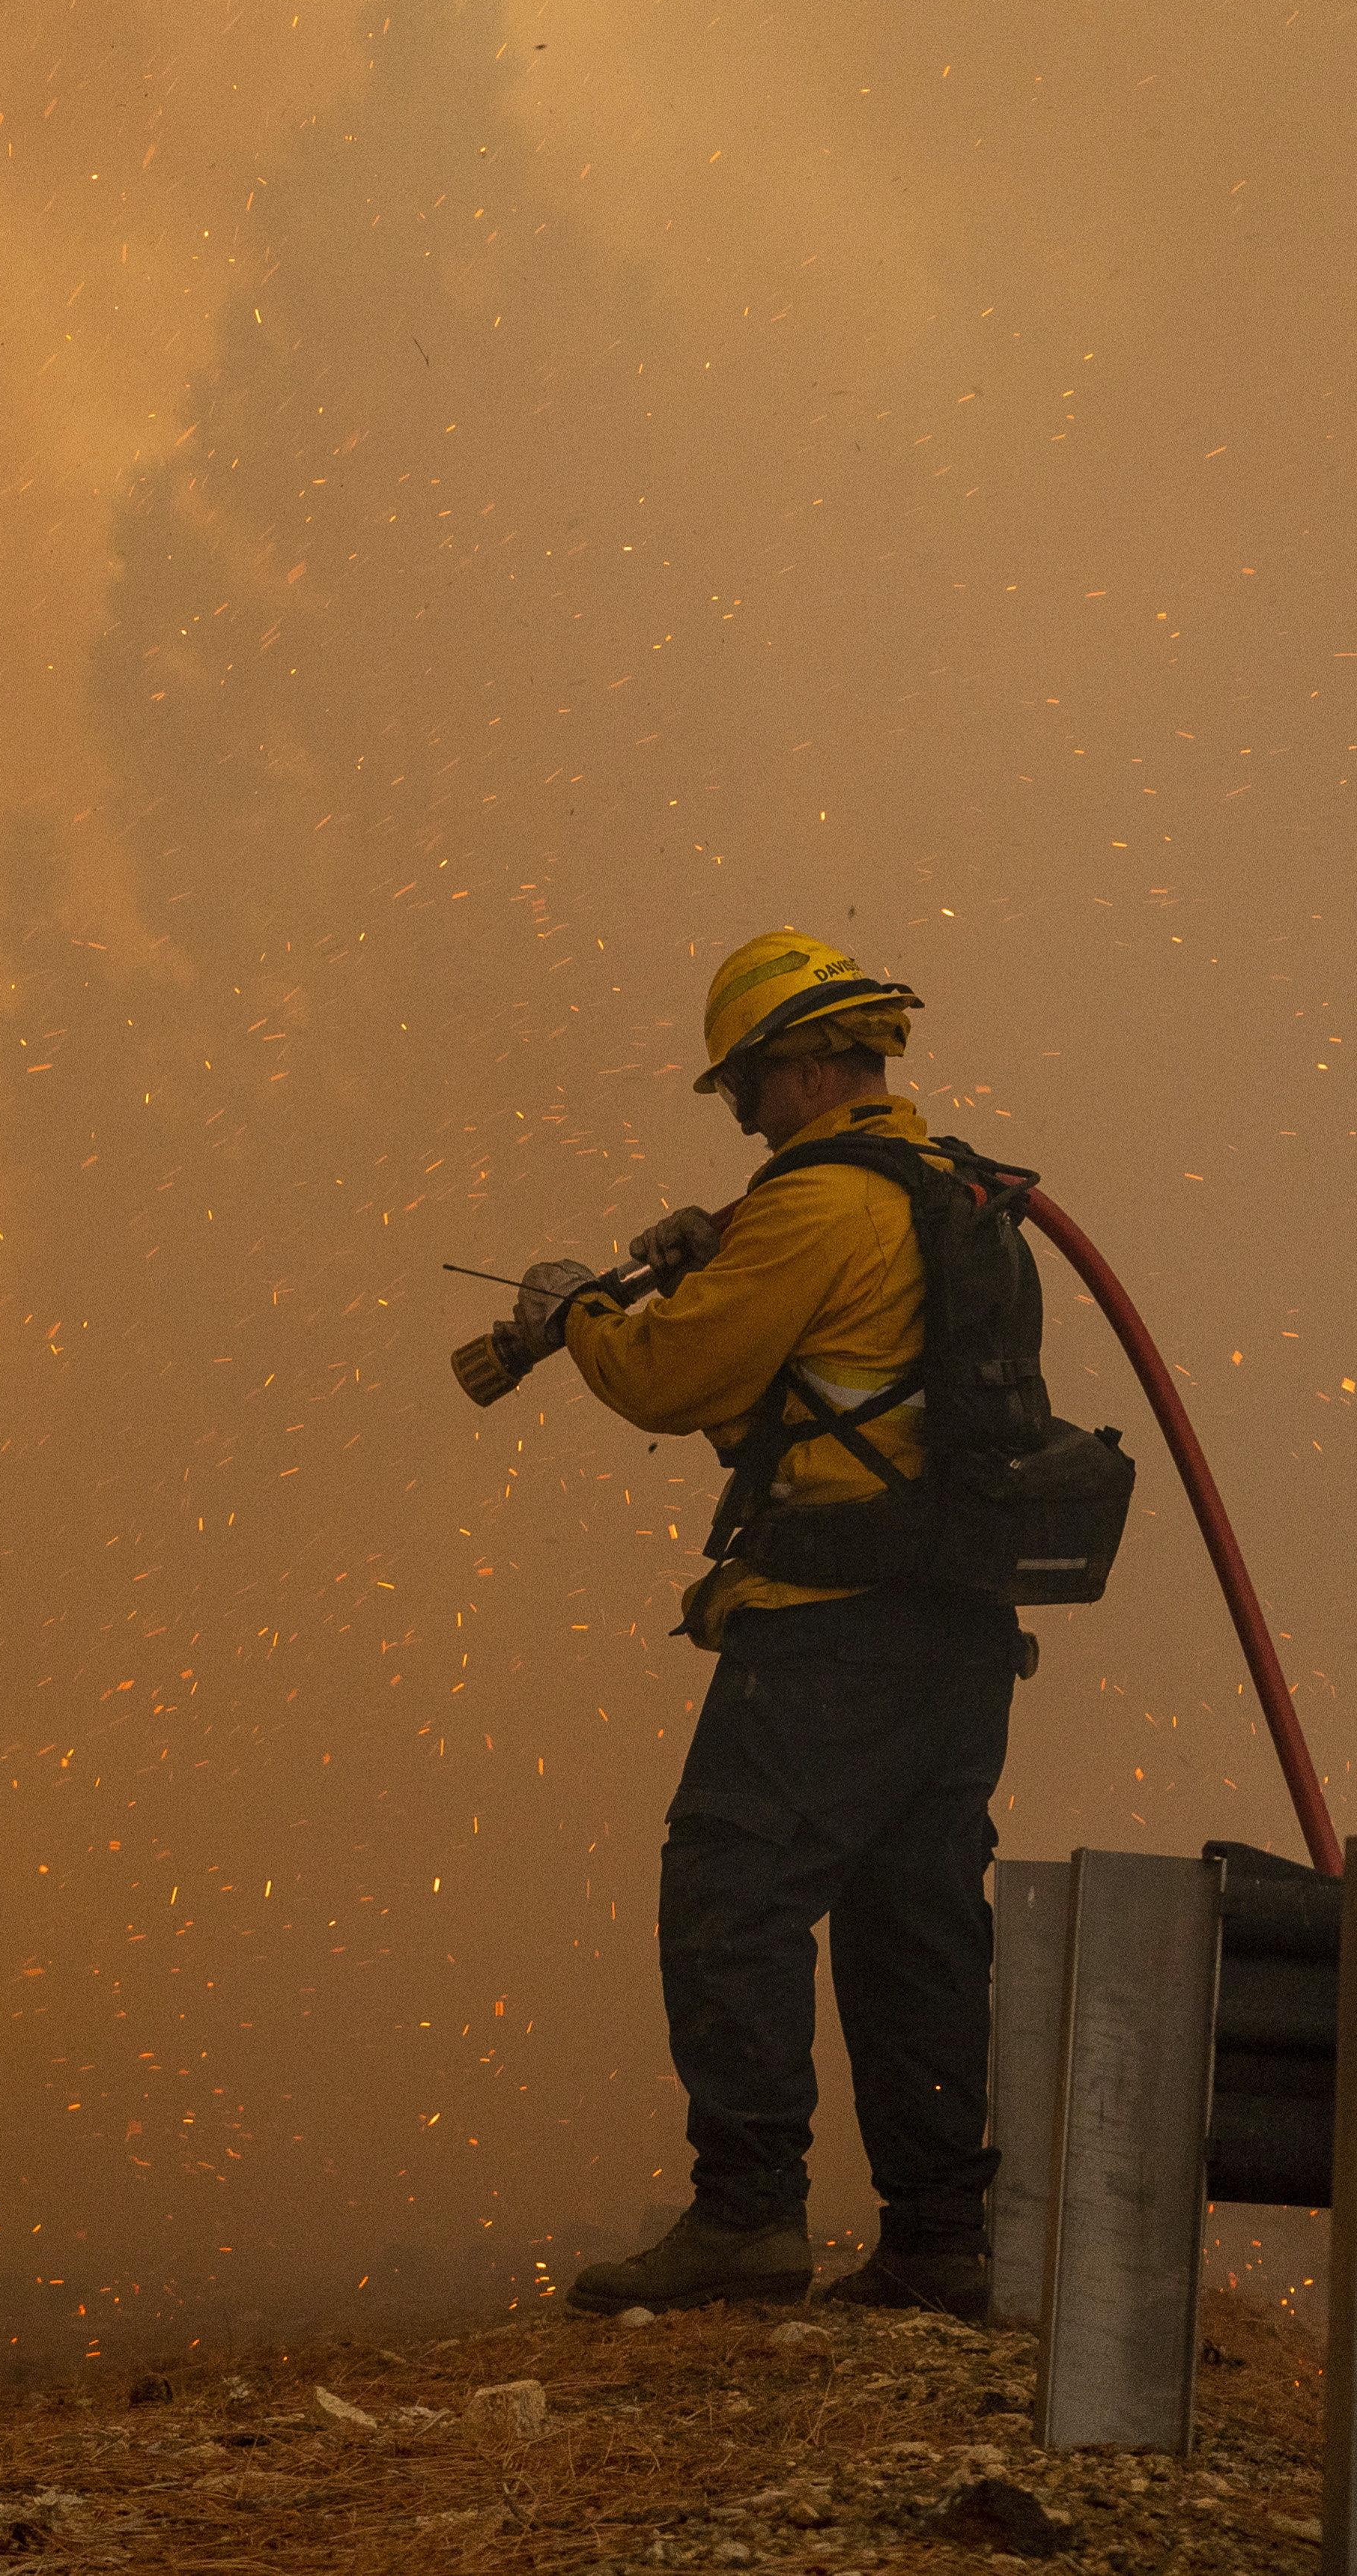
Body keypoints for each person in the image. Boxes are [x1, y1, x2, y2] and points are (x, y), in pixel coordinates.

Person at [500, 930, 1027, 2323]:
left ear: (800, 1066)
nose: (738, 1111)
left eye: (742, 1086)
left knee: (729, 1891)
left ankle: (745, 2216)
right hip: (956, 1633)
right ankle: (938, 2238)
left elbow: (678, 1379)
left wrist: (587, 1308)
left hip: (828, 1630)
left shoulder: (820, 1206)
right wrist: (717, 1242)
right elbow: (829, 1372)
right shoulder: (940, 1188)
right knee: (912, 1923)